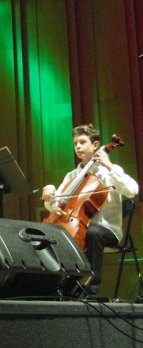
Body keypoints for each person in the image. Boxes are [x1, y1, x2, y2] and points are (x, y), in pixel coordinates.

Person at [42, 124, 139, 297]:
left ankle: (90, 291)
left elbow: (132, 190)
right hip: (77, 226)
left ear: (95, 145)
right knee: (47, 233)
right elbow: (57, 205)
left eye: (82, 142)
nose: (78, 146)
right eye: (75, 143)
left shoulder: (110, 171)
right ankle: (51, 288)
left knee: (93, 232)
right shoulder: (72, 175)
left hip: (105, 229)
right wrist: (50, 194)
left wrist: (109, 165)